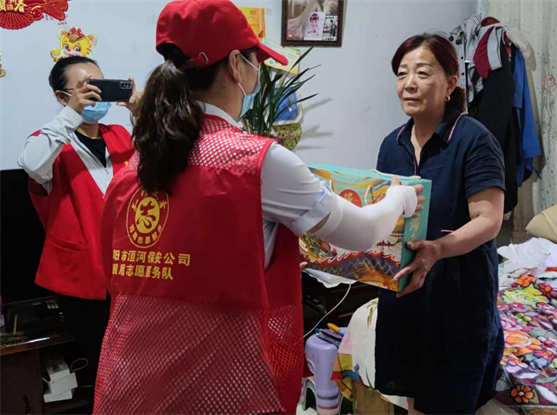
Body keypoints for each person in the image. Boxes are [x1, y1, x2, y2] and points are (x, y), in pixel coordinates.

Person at [93, 1, 424, 414]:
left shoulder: (139, 161)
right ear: (236, 65)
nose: (258, 73)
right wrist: (400, 198)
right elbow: (360, 232)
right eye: (256, 62)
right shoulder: (255, 161)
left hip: (129, 384)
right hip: (219, 389)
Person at [374, 34, 505, 414]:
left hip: (457, 294)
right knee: (412, 395)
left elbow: (489, 219)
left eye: (422, 72)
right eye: (402, 74)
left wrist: (438, 249)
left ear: (450, 83)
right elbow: (384, 212)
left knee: (448, 398)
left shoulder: (474, 139)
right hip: (403, 293)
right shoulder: (392, 144)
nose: (409, 83)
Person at [17, 56, 137, 387]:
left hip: (131, 271)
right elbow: (32, 164)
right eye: (87, 88)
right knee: (104, 370)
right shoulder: (48, 142)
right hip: (82, 280)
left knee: (139, 364)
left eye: (101, 85)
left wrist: (140, 112)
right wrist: (71, 114)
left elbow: (163, 165)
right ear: (61, 96)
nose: (96, 95)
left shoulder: (121, 136)